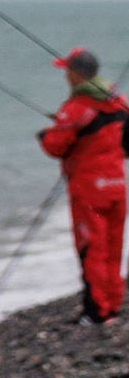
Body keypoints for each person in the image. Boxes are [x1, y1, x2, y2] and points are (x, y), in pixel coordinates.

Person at [41, 50, 127, 326]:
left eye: (67, 70)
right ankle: (111, 305)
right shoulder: (120, 102)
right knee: (113, 249)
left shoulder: (76, 108)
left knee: (92, 249)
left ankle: (96, 313)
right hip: (117, 186)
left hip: (89, 191)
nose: (65, 75)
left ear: (78, 74)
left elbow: (55, 146)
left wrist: (45, 134)